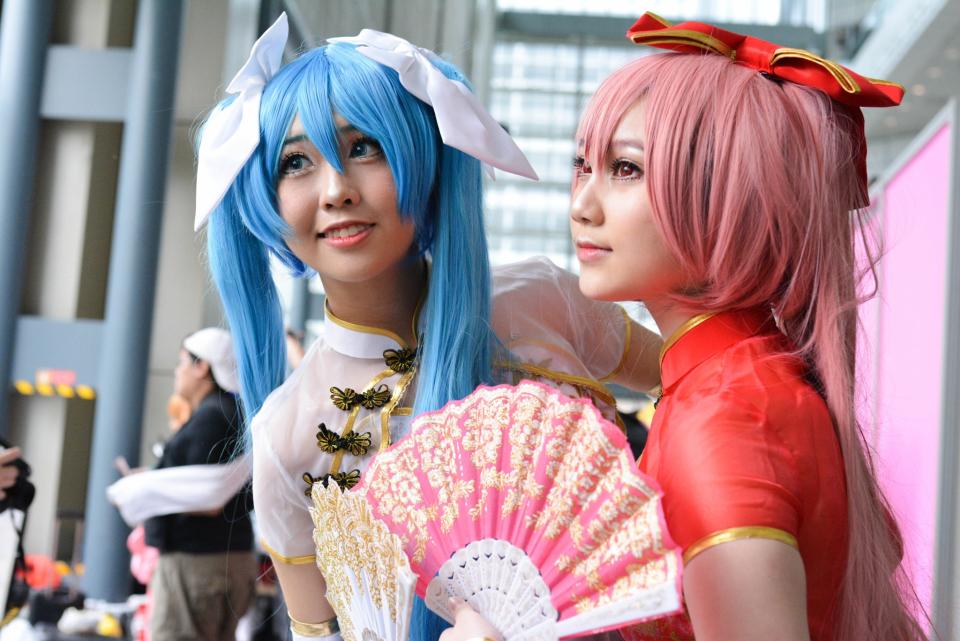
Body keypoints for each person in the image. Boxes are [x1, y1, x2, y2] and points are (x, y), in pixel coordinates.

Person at [195, 15, 662, 641]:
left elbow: (696, 386)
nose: (335, 189)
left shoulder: (543, 297)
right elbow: (318, 633)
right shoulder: (284, 436)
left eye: (365, 147)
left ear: (426, 156)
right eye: (296, 163)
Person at [569, 13, 925, 641]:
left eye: (625, 169)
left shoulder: (723, 419)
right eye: (582, 165)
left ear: (728, 196)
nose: (581, 204)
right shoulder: (755, 379)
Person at [143, 328, 256, 641]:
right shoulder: (235, 413)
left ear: (202, 367)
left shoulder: (211, 417)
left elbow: (206, 497)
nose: (177, 373)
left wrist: (147, 489)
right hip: (228, 556)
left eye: (182, 363)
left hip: (196, 563)